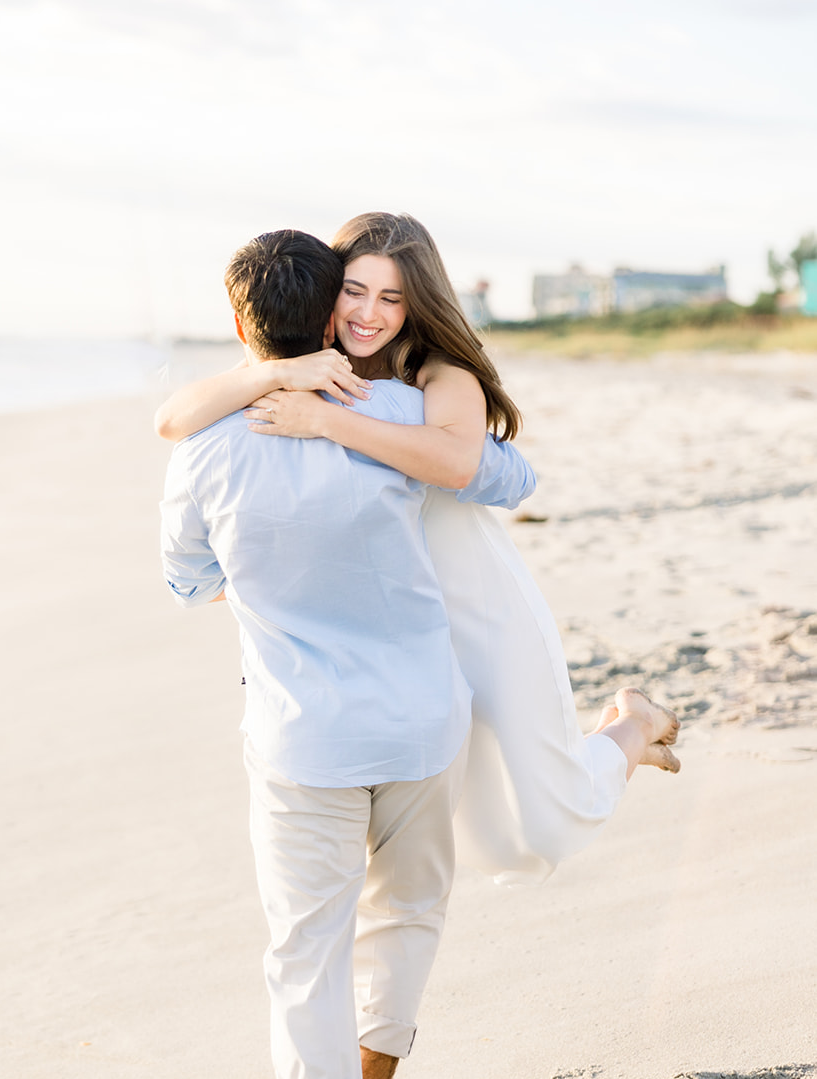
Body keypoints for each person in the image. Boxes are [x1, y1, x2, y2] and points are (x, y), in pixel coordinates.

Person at [160, 229, 536, 1079]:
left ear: (239, 324)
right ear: (330, 310)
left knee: (305, 947)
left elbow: (187, 578)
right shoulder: (400, 410)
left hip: (299, 735)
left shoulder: (206, 445)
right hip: (418, 720)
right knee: (403, 918)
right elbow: (505, 479)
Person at [156, 211, 680, 887]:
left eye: (391, 297)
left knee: (549, 818)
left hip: (477, 605)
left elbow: (460, 464)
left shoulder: (437, 373)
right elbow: (172, 420)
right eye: (353, 290)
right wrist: (271, 377)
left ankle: (633, 727)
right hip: (390, 619)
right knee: (486, 836)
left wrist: (327, 420)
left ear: (416, 303)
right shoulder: (298, 367)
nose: (367, 313)